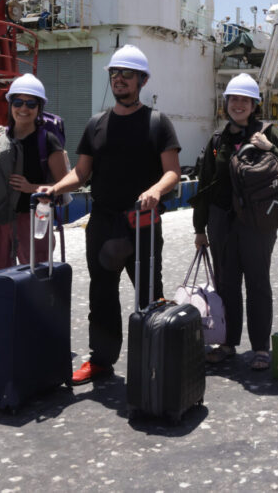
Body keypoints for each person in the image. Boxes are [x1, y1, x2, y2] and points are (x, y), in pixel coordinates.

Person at [39, 45, 181, 385]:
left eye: (126, 75)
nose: (119, 79)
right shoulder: (96, 124)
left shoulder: (158, 123)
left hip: (142, 222)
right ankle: (101, 360)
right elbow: (81, 173)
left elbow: (172, 171)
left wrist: (155, 191)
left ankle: (152, 357)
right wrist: (54, 188)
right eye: (114, 74)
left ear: (142, 81)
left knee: (149, 295)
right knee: (101, 294)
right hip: (102, 222)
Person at [192, 74, 278, 371]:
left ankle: (261, 348)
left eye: (245, 100)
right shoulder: (218, 139)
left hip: (257, 222)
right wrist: (199, 228)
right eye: (233, 99)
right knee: (226, 284)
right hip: (221, 221)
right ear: (226, 103)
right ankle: (228, 343)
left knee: (257, 283)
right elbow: (205, 185)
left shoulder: (267, 132)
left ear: (254, 105)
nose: (238, 104)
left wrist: (269, 148)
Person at [0, 74, 69, 273]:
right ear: (10, 105)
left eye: (31, 104)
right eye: (18, 102)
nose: (24, 109)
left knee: (38, 279)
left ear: (39, 108)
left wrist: (31, 188)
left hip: (34, 218)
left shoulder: (48, 141)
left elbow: (64, 185)